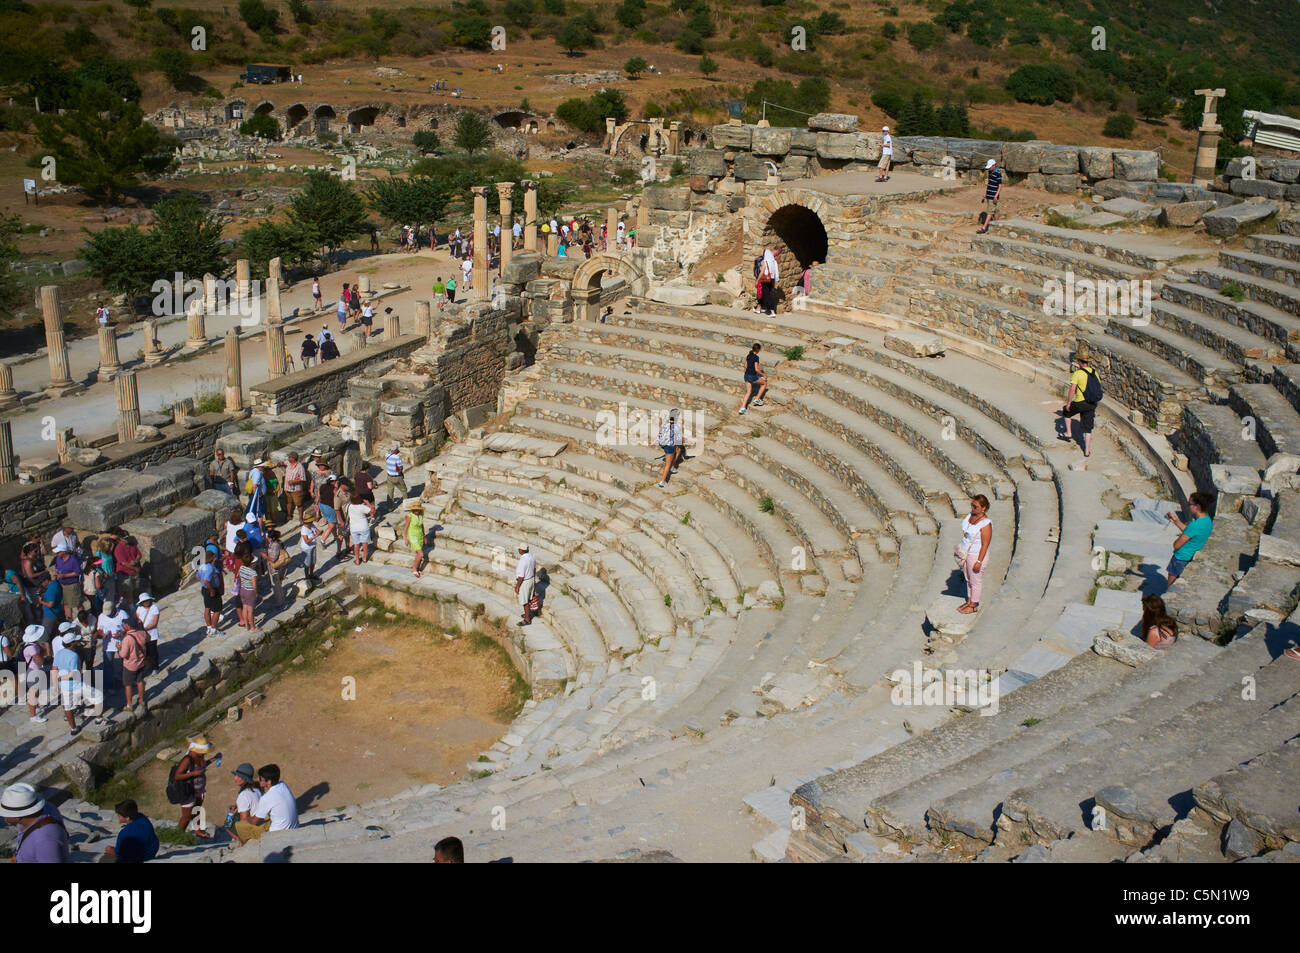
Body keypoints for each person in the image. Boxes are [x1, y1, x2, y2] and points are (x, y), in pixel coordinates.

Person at [1, 783, 70, 863]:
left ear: (17, 816)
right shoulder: (47, 807)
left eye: (5, 813)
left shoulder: (45, 841)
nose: (2, 815)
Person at [234, 764, 299, 844]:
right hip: (294, 826)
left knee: (239, 825)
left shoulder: (267, 797)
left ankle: (244, 845)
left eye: (261, 779)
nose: (258, 780)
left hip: (277, 832)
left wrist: (247, 819)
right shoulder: (283, 785)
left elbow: (254, 821)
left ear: (269, 781)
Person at [1056, 346, 1102, 457]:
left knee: (1066, 412)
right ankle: (1086, 451)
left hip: (1080, 402)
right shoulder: (1094, 373)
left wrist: (1068, 403)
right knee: (1088, 428)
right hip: (1091, 403)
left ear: (1080, 362)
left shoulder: (1078, 373)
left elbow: (1072, 389)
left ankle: (1068, 433)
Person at [1165, 492, 1215, 587]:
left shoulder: (1195, 525)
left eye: (1189, 504)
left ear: (1196, 507)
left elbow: (1177, 545)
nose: (1188, 506)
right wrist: (1176, 521)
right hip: (1190, 557)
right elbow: (1190, 532)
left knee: (1170, 586)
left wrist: (1178, 539)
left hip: (1181, 557)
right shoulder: (1207, 520)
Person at [956, 495, 993, 615]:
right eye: (972, 505)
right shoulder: (971, 515)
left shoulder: (986, 524)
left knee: (975, 580)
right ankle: (970, 601)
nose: (972, 508)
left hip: (976, 555)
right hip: (967, 553)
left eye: (975, 506)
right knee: (968, 578)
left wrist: (979, 561)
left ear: (984, 508)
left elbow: (985, 544)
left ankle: (973, 605)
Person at [173, 737, 214, 839]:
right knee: (186, 817)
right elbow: (177, 776)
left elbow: (203, 766)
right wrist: (193, 773)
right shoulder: (188, 759)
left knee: (197, 809)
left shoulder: (200, 756)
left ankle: (197, 829)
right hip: (188, 791)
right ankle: (178, 836)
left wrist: (214, 759)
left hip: (199, 790)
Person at [118, 619, 149, 712]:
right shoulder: (142, 633)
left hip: (130, 666)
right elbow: (149, 638)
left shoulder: (127, 639)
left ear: (128, 626)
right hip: (141, 663)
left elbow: (123, 655)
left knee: (128, 685)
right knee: (140, 681)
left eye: (125, 624)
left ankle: (129, 705)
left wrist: (119, 648)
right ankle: (141, 700)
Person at [226, 762, 261, 837]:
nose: (235, 778)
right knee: (236, 815)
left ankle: (242, 841)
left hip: (254, 828)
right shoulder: (256, 790)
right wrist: (237, 806)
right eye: (236, 775)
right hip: (261, 822)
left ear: (245, 779)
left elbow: (244, 822)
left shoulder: (244, 795)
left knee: (227, 824)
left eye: (239, 776)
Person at [53, 543, 82, 620]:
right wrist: (56, 573)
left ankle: (82, 618)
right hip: (62, 585)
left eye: (58, 552)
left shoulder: (73, 559)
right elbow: (56, 567)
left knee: (77, 604)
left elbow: (77, 572)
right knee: (65, 604)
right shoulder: (58, 559)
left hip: (72, 585)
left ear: (64, 551)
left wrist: (64, 576)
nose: (57, 553)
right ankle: (69, 620)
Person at [197, 550, 223, 637]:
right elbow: (206, 580)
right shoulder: (210, 568)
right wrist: (212, 590)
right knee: (217, 610)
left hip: (204, 589)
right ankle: (213, 630)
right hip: (211, 590)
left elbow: (197, 577)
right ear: (212, 558)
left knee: (207, 608)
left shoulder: (202, 566)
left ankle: (208, 628)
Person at [738, 343, 768, 415]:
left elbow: (745, 366)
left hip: (746, 375)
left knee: (748, 392)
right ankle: (757, 399)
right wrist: (764, 375)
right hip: (752, 376)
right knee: (764, 383)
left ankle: (742, 408)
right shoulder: (756, 357)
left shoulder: (749, 355)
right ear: (758, 349)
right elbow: (757, 369)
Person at [114, 532, 143, 604]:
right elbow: (124, 563)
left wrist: (136, 561)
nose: (127, 539)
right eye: (125, 538)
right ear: (120, 539)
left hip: (134, 572)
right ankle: (130, 606)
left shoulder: (132, 545)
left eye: (127, 537)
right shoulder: (118, 549)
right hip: (125, 574)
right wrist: (135, 568)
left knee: (136, 588)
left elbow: (139, 554)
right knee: (127, 591)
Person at [347, 492, 376, 564]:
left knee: (356, 544)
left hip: (353, 527)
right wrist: (368, 503)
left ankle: (357, 560)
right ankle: (364, 558)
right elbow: (373, 511)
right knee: (365, 543)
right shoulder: (363, 507)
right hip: (363, 527)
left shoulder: (349, 506)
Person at [135, 592, 161, 675]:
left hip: (151, 634)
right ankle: (148, 665)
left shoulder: (154, 608)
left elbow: (154, 623)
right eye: (144, 601)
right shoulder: (139, 609)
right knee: (144, 651)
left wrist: (143, 629)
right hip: (142, 635)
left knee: (152, 651)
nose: (146, 602)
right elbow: (137, 619)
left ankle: (155, 667)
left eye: (147, 600)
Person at [657, 410, 683, 489]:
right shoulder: (676, 427)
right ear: (677, 417)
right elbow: (679, 439)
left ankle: (672, 467)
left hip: (663, 443)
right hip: (669, 446)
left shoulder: (665, 423)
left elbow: (660, 432)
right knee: (667, 464)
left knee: (678, 450)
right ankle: (663, 482)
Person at [236, 553, 260, 631]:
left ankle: (246, 626)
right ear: (251, 564)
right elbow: (254, 585)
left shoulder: (241, 568)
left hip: (242, 590)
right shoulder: (253, 573)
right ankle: (253, 627)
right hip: (250, 592)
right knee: (250, 611)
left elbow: (240, 577)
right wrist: (256, 593)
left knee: (244, 608)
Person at [977, 158, 1002, 234]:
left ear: (994, 165)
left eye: (990, 167)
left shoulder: (998, 173)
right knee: (995, 211)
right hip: (989, 195)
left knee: (989, 212)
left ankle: (984, 227)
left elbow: (1000, 186)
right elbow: (989, 185)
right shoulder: (990, 172)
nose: (989, 168)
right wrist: (986, 194)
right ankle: (997, 226)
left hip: (993, 196)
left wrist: (996, 196)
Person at [403, 501, 427, 577]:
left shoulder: (421, 515)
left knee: (418, 554)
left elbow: (422, 525)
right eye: (415, 509)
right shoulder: (409, 516)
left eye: (418, 509)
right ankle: (414, 568)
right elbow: (406, 528)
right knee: (421, 554)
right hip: (412, 535)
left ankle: (417, 568)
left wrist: (424, 536)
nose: (417, 511)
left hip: (419, 535)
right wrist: (406, 538)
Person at [283, 451, 308, 523]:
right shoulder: (288, 463)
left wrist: (294, 481)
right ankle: (288, 515)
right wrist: (281, 463)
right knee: (288, 502)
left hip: (296, 489)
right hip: (287, 488)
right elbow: (283, 463)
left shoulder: (300, 467)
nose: (288, 458)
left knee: (299, 503)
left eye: (290, 457)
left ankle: (300, 517)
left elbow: (303, 478)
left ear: (293, 458)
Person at [515, 544, 536, 628]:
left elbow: (521, 576)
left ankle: (527, 619)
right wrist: (533, 580)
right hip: (531, 579)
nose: (518, 550)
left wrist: (517, 586)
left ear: (521, 550)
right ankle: (528, 614)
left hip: (525, 582)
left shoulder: (523, 561)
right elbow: (534, 569)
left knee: (525, 601)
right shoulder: (532, 556)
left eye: (519, 549)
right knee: (528, 598)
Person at [300, 510, 321, 586]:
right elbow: (306, 541)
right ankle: (307, 577)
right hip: (306, 548)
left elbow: (318, 532)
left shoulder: (312, 526)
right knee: (307, 563)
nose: (312, 522)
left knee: (313, 562)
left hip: (313, 546)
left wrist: (317, 531)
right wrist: (314, 536)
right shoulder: (304, 529)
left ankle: (311, 574)